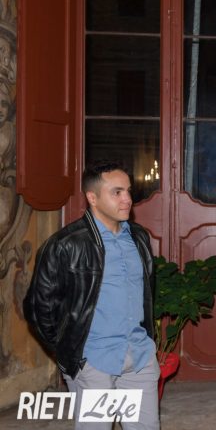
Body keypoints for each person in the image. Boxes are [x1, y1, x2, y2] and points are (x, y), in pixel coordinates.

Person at [24, 160, 159, 430]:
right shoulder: (65, 245)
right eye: (117, 192)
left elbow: (146, 295)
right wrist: (71, 350)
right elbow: (39, 308)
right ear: (92, 198)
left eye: (128, 191)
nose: (127, 199)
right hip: (94, 362)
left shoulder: (139, 238)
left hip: (139, 357)